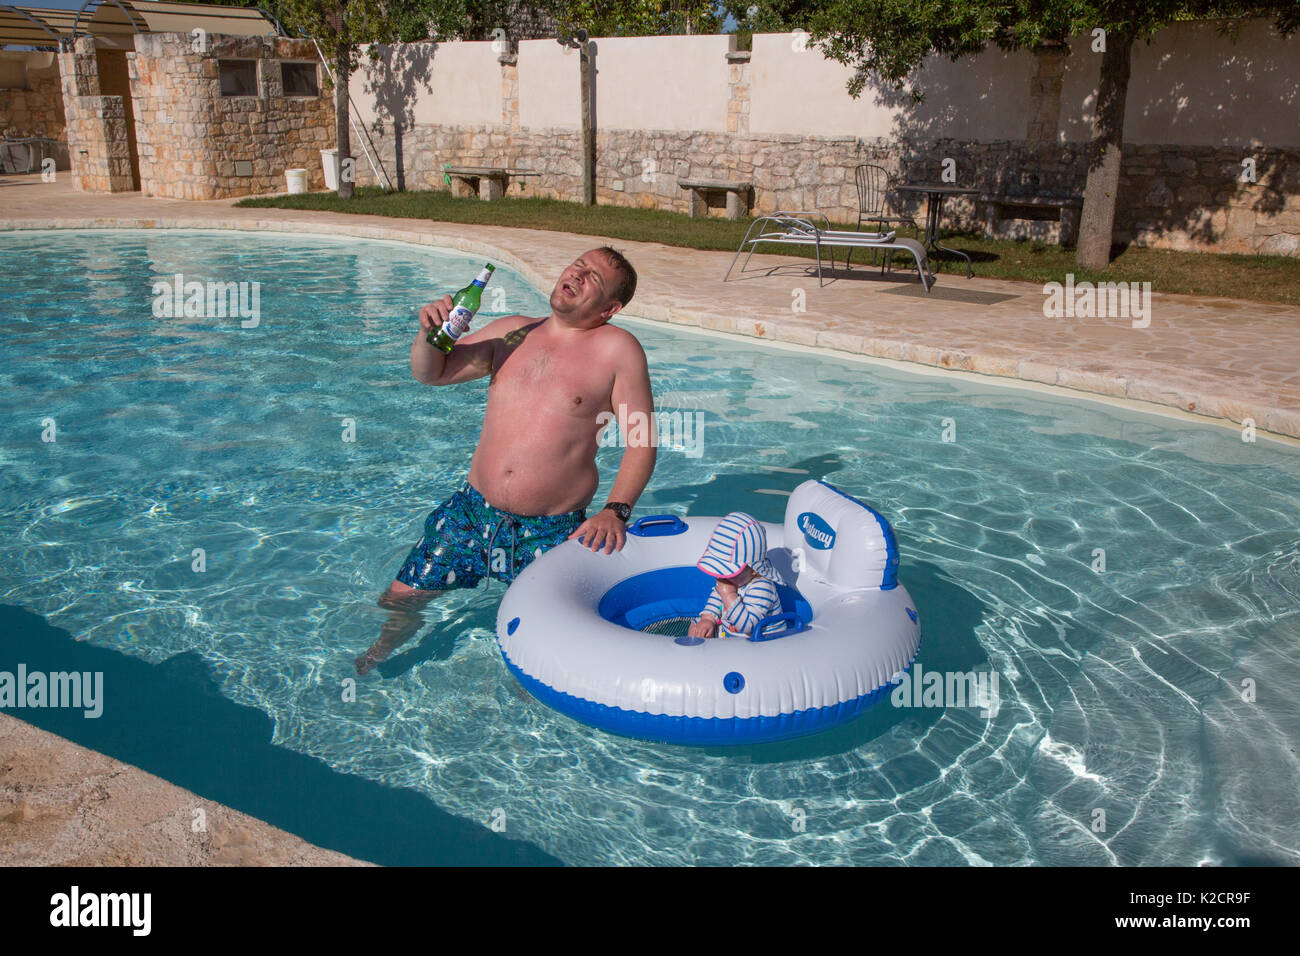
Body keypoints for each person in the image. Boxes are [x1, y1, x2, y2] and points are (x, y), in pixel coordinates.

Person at [356, 247, 656, 674]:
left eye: (593, 277)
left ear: (610, 308)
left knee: (544, 641)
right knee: (400, 601)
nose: (577, 272)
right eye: (578, 264)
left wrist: (616, 511)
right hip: (471, 514)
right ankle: (376, 659)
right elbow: (431, 373)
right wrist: (429, 334)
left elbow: (642, 441)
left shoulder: (618, 350)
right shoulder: (513, 332)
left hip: (550, 529)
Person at [687, 512, 781, 640]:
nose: (722, 576)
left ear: (753, 569)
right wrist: (708, 619)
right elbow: (716, 597)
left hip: (759, 645)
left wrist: (729, 595)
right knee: (696, 625)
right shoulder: (732, 580)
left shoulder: (763, 588)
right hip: (731, 638)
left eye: (728, 571)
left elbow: (747, 626)